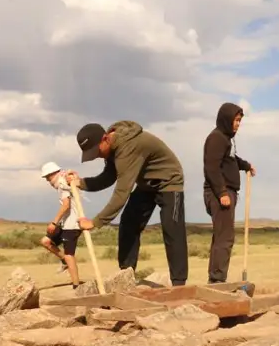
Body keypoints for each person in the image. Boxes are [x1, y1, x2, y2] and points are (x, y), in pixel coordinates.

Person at [66, 121, 189, 286]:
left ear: (106, 139)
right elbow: (107, 178)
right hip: (146, 185)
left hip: (169, 181)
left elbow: (121, 193)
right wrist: (81, 183)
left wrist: (95, 222)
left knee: (172, 229)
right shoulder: (112, 150)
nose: (97, 156)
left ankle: (179, 284)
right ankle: (126, 275)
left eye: (96, 152)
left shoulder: (128, 147)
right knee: (129, 222)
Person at [203, 102, 256, 283]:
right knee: (225, 237)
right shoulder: (216, 138)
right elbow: (211, 168)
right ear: (226, 119)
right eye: (236, 120)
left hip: (226, 192)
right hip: (219, 193)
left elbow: (231, 159)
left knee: (221, 236)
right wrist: (222, 193)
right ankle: (217, 280)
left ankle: (215, 278)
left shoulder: (226, 139)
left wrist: (246, 165)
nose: (238, 124)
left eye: (240, 121)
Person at [39, 161, 82, 289]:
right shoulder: (63, 182)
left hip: (72, 224)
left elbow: (66, 205)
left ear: (53, 174)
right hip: (65, 223)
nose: (48, 181)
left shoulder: (63, 184)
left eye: (48, 177)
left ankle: (76, 285)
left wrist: (54, 222)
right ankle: (63, 260)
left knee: (69, 255)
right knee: (46, 241)